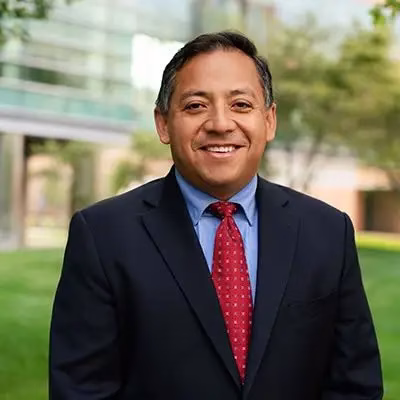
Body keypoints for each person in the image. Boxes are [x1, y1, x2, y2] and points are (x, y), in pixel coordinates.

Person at [49, 31, 383, 400]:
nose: (221, 123)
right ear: (163, 123)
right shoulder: (102, 235)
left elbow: (356, 385)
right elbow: (81, 391)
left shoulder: (328, 232)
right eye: (195, 106)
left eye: (241, 105)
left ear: (269, 120)